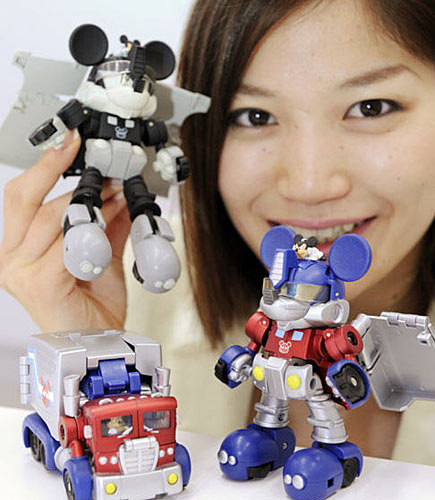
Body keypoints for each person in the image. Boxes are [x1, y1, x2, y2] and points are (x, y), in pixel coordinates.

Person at [0, 0, 434, 464]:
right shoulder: (140, 283)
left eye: (371, 107)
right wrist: (89, 349)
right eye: (254, 116)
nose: (309, 185)